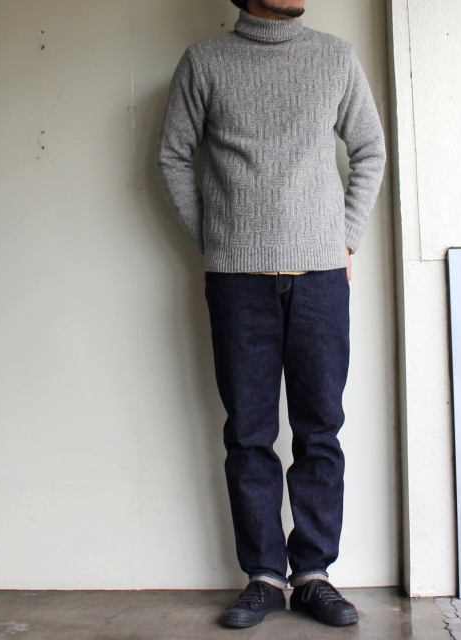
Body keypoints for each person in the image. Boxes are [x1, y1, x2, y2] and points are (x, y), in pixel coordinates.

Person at [156, 0, 386, 628]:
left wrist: (345, 239)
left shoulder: (335, 57)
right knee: (249, 432)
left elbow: (370, 149)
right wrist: (217, 240)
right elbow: (172, 156)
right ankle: (263, 576)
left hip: (321, 278)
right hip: (238, 282)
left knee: (320, 429)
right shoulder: (204, 62)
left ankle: (314, 575)